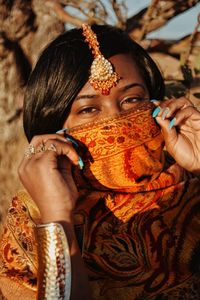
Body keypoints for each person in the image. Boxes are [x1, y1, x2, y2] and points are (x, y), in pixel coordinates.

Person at [0, 23, 200, 300]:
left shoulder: (191, 191)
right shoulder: (31, 217)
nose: (113, 121)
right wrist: (58, 219)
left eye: (131, 100)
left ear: (156, 105)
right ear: (54, 128)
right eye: (89, 109)